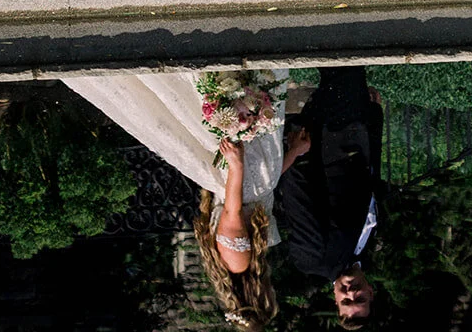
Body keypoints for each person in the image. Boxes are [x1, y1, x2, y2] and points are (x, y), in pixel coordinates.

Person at [65, 69, 301, 331]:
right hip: (251, 175)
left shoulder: (239, 262)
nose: (273, 292)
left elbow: (232, 213)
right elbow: (262, 194)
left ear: (258, 298)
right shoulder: (242, 262)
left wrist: (236, 165)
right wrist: (294, 154)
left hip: (240, 173)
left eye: (270, 299)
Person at [275, 67, 383, 327]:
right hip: (356, 128)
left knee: (345, 61)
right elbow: (371, 180)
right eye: (360, 298)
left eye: (346, 301)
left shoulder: (313, 260)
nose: (351, 293)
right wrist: (374, 118)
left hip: (326, 135)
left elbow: (296, 196)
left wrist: (296, 151)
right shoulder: (367, 249)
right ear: (370, 293)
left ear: (335, 300)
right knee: (346, 62)